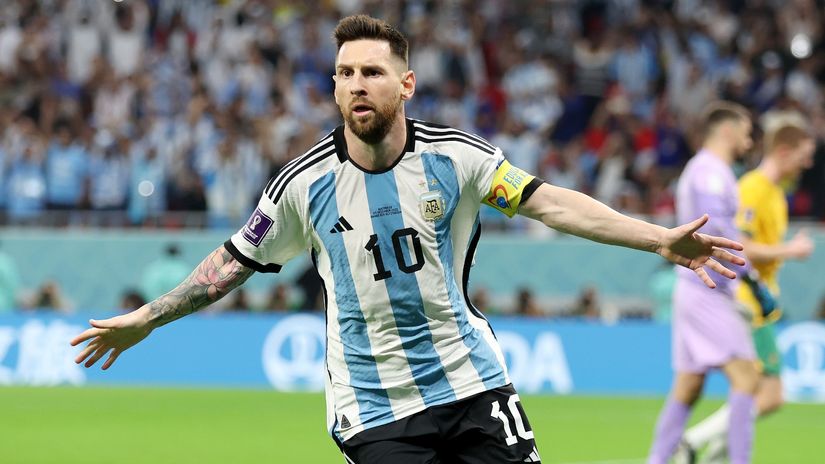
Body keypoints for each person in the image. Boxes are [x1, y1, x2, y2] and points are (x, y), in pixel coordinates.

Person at [71, 15, 745, 464]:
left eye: (370, 71)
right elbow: (231, 262)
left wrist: (656, 237)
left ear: (406, 83)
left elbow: (551, 204)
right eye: (344, 73)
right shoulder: (302, 185)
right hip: (373, 406)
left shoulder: (458, 159)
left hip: (472, 381)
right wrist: (147, 318)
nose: (355, 84)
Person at [676, 114, 816, 463]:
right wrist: (790, 251)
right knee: (766, 394)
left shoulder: (775, 194)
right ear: (784, 151)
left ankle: (702, 452)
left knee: (756, 393)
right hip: (748, 304)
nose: (809, 163)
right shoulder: (753, 189)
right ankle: (693, 443)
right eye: (804, 154)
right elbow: (735, 246)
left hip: (760, 303)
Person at [648, 102, 763, 464]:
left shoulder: (705, 170)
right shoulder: (711, 172)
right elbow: (718, 229)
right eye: (745, 133)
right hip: (706, 288)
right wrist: (753, 277)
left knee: (689, 385)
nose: (749, 142)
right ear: (727, 131)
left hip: (698, 288)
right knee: (747, 377)